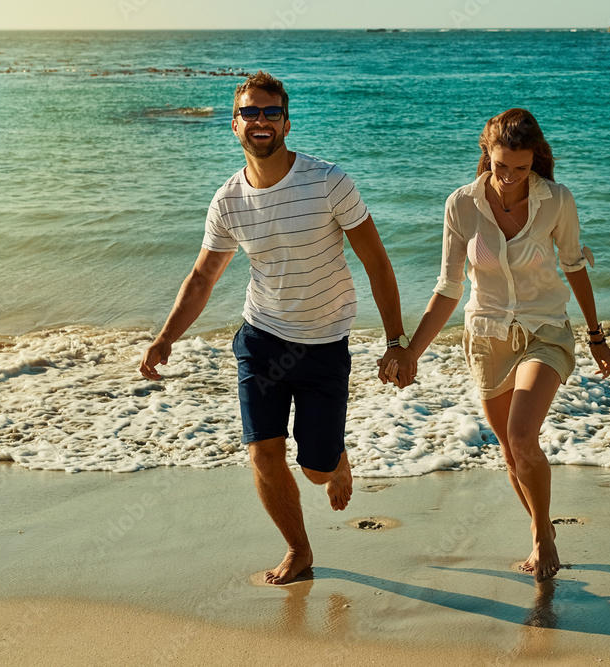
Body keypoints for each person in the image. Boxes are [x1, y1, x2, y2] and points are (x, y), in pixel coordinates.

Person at [139, 71, 415, 585]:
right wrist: (165, 337)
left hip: (324, 343)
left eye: (269, 112)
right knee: (264, 452)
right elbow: (203, 276)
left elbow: (376, 261)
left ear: (286, 121)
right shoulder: (227, 201)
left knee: (314, 468)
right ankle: (299, 550)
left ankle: (334, 458)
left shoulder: (329, 181)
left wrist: (397, 341)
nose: (259, 121)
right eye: (249, 112)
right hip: (260, 339)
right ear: (234, 124)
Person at [385, 108, 610, 582]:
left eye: (521, 168)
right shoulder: (461, 205)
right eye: (500, 166)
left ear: (536, 162)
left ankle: (543, 537)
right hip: (487, 336)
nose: (509, 178)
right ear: (486, 154)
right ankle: (537, 524)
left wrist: (595, 335)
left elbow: (573, 265)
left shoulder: (557, 201)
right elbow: (448, 288)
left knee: (521, 436)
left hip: (545, 329)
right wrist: (410, 351)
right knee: (512, 455)